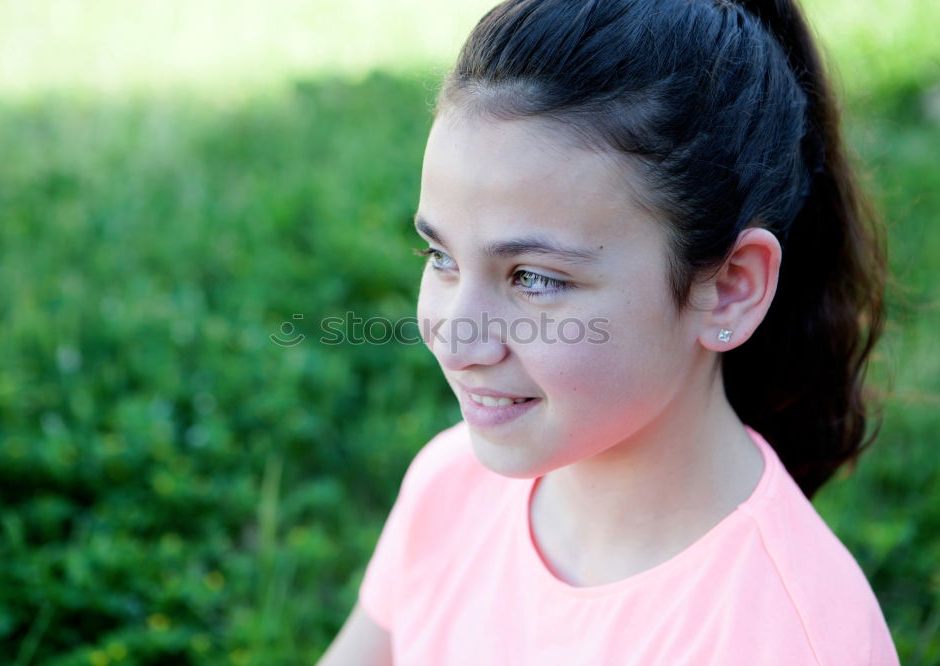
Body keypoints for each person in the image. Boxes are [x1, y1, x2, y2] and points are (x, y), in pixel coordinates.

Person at [318, 0, 901, 663]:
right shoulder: (451, 487)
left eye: (534, 278)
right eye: (442, 258)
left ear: (729, 288)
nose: (457, 339)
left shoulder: (792, 638)